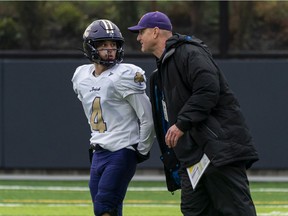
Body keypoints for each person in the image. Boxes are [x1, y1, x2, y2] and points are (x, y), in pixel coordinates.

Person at [128, 11, 259, 216]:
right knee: (193, 210)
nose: (138, 38)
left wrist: (182, 124)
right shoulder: (162, 69)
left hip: (218, 150)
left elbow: (208, 89)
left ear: (155, 32)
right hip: (192, 156)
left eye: (141, 32)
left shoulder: (189, 53)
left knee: (235, 210)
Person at [72, 19, 155, 216]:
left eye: (113, 45)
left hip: (121, 150)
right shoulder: (81, 75)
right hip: (98, 150)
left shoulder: (126, 75)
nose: (110, 50)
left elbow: (147, 118)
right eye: (103, 45)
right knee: (107, 209)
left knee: (104, 207)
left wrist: (140, 150)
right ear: (90, 47)